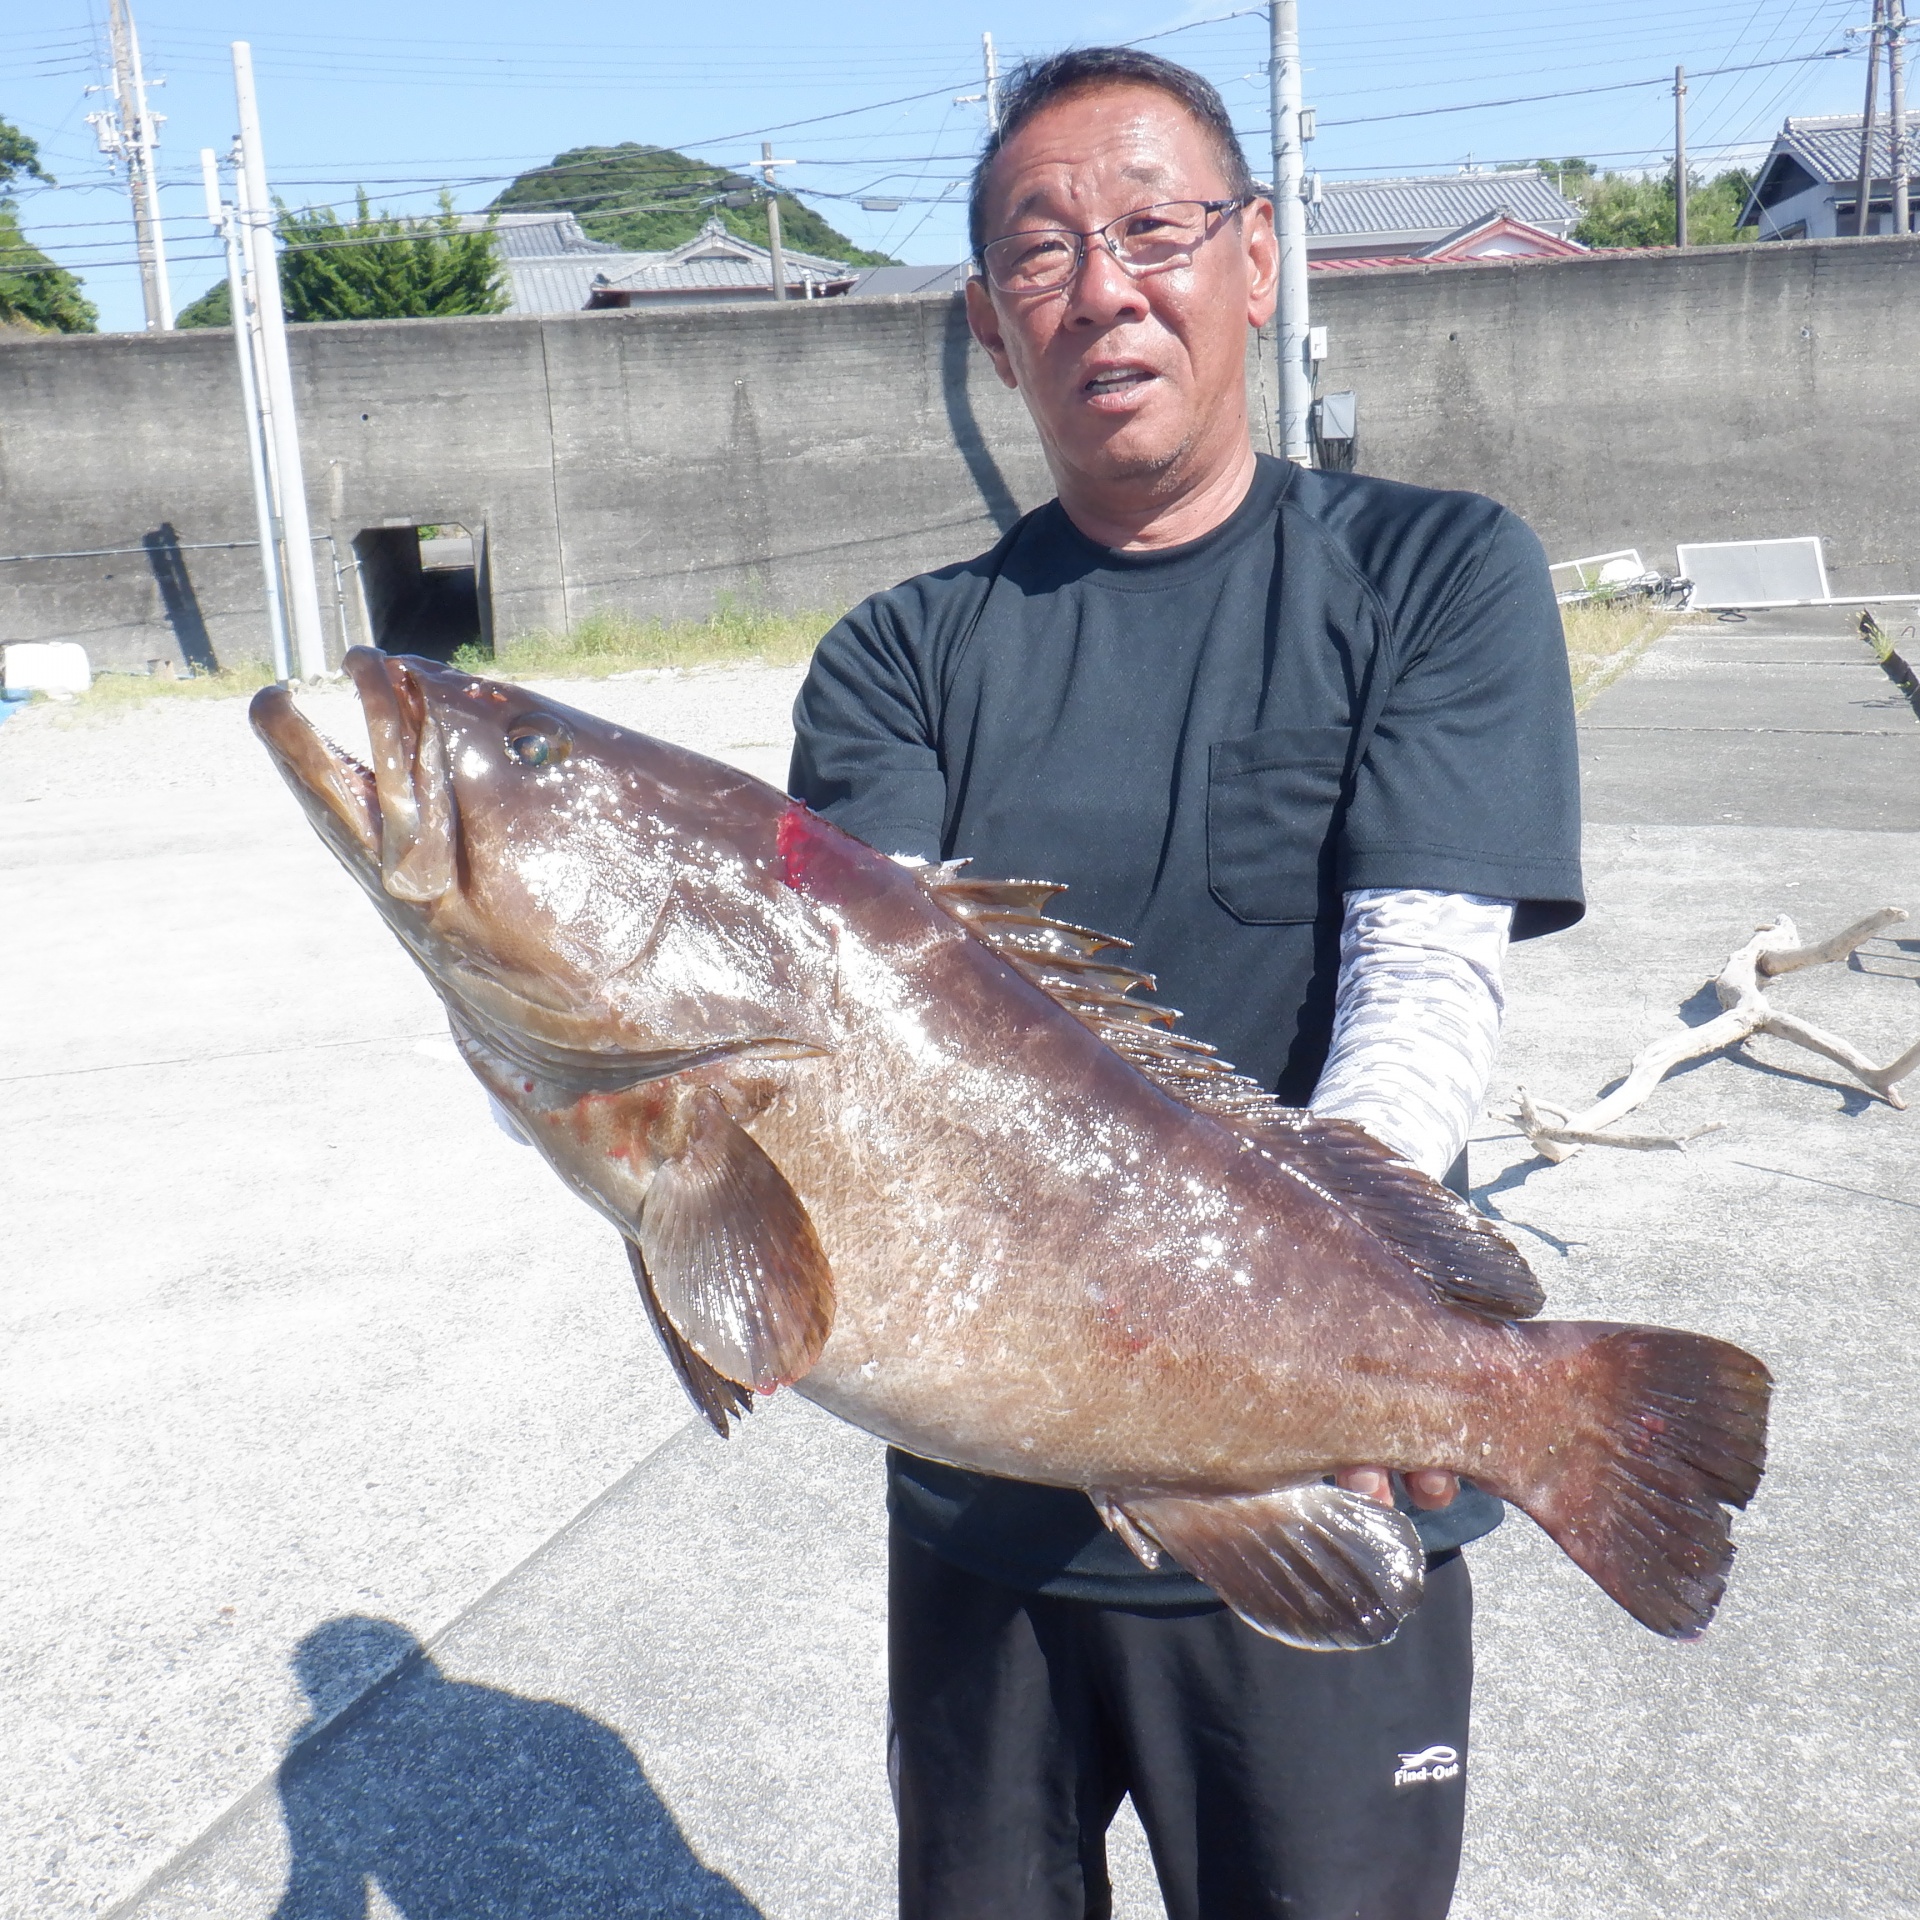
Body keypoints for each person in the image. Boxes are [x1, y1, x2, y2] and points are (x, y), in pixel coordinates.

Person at [788, 46, 1582, 1920]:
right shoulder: (896, 660)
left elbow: (1422, 982)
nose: (1102, 288)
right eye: (1040, 251)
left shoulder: (1437, 572)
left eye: (1153, 230)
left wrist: (1350, 1326)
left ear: (1258, 259)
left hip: (1324, 1480)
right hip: (988, 1514)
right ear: (991, 329)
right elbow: (869, 1050)